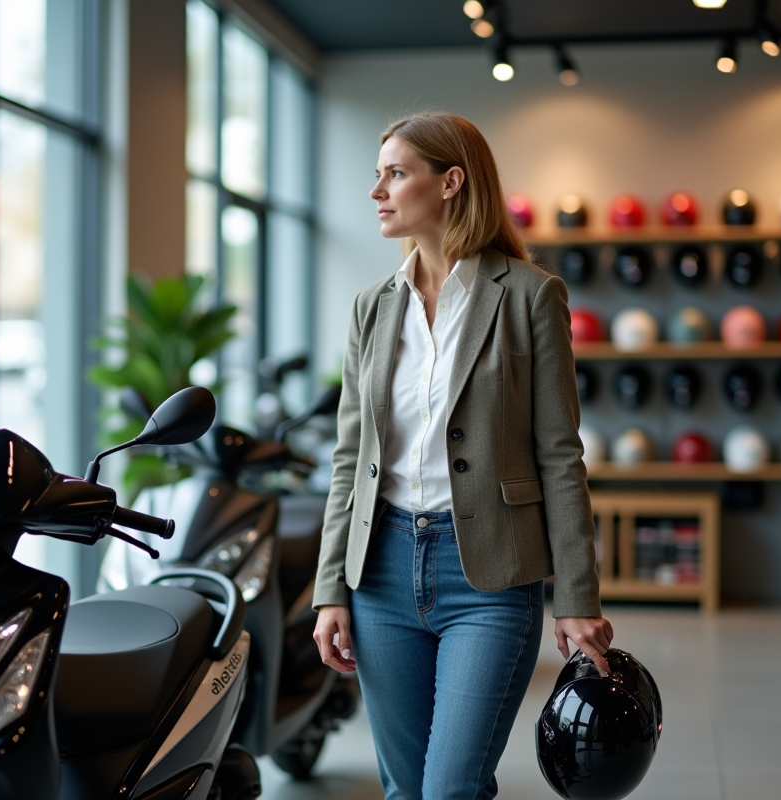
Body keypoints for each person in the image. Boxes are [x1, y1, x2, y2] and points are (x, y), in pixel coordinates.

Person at [311, 112, 614, 800]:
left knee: (450, 789)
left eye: (396, 174)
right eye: (378, 174)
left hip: (490, 577)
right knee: (404, 790)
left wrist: (577, 596)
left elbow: (560, 455)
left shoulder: (529, 295)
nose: (377, 191)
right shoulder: (370, 307)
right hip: (381, 570)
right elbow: (350, 457)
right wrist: (331, 588)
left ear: (450, 182)